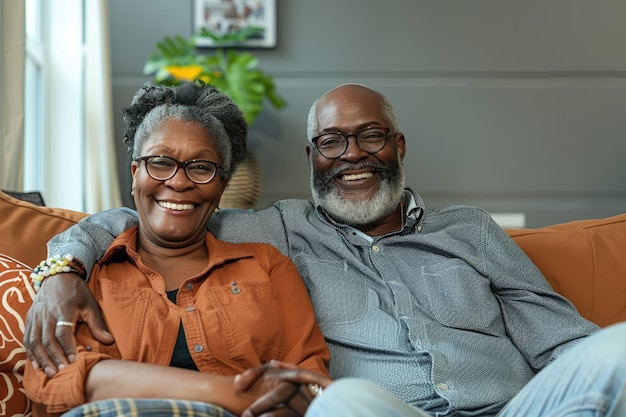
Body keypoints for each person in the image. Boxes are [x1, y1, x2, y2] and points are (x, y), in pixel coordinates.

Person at [25, 83, 626, 417]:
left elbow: (563, 339)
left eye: (370, 136)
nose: (352, 155)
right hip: (381, 414)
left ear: (398, 145)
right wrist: (62, 266)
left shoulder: (472, 230)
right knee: (342, 406)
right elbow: (154, 211)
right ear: (312, 158)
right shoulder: (279, 231)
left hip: (517, 411)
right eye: (331, 142)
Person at [22, 80, 330, 417]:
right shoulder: (86, 272)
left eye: (201, 168)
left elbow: (310, 378)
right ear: (135, 173)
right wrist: (232, 393)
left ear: (221, 185)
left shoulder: (268, 265)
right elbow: (52, 383)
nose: (179, 182)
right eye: (160, 162)